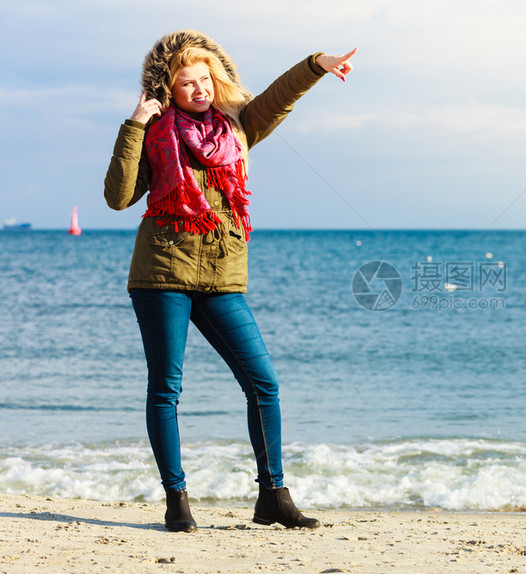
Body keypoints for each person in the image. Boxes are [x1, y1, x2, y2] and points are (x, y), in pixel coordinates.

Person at [104, 30, 356, 533]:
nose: (199, 89)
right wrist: (135, 124)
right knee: (167, 389)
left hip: (223, 275)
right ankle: (177, 502)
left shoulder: (238, 127)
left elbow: (277, 98)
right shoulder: (155, 132)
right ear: (166, 89)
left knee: (263, 382)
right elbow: (118, 197)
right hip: (161, 273)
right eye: (186, 83)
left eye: (205, 80)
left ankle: (273, 496)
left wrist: (316, 65)